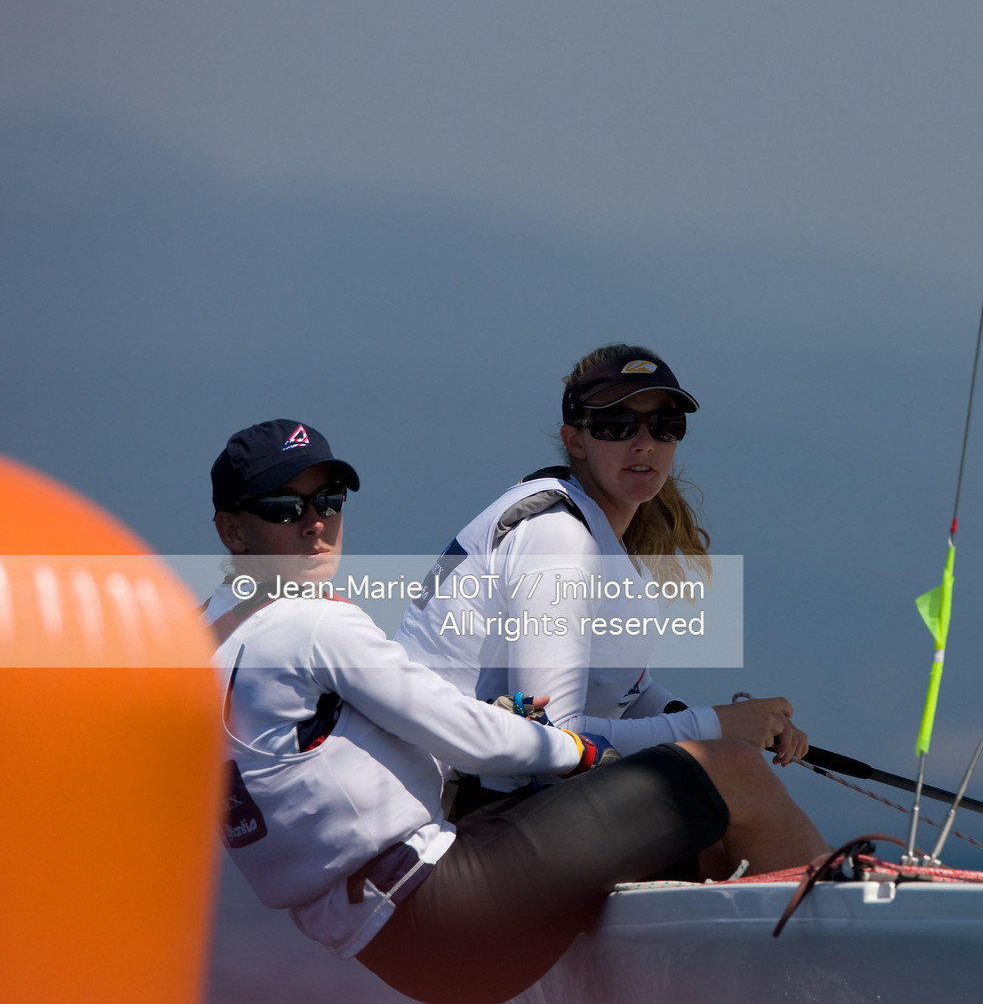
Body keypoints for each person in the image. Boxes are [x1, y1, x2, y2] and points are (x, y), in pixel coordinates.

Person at [209, 419, 826, 1004]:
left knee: (712, 840)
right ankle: (850, 954)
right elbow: (464, 735)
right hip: (445, 908)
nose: (317, 523)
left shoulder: (208, 647)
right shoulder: (311, 623)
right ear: (233, 532)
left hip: (395, 938)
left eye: (330, 500)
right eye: (286, 509)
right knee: (731, 772)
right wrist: (579, 749)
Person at [397, 344, 810, 829]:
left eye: (665, 425)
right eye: (617, 425)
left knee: (720, 784)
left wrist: (721, 724)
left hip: (480, 801)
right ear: (575, 440)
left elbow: (625, 690)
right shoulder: (559, 537)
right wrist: (716, 728)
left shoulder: (587, 532)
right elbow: (552, 737)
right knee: (732, 778)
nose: (644, 443)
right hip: (442, 816)